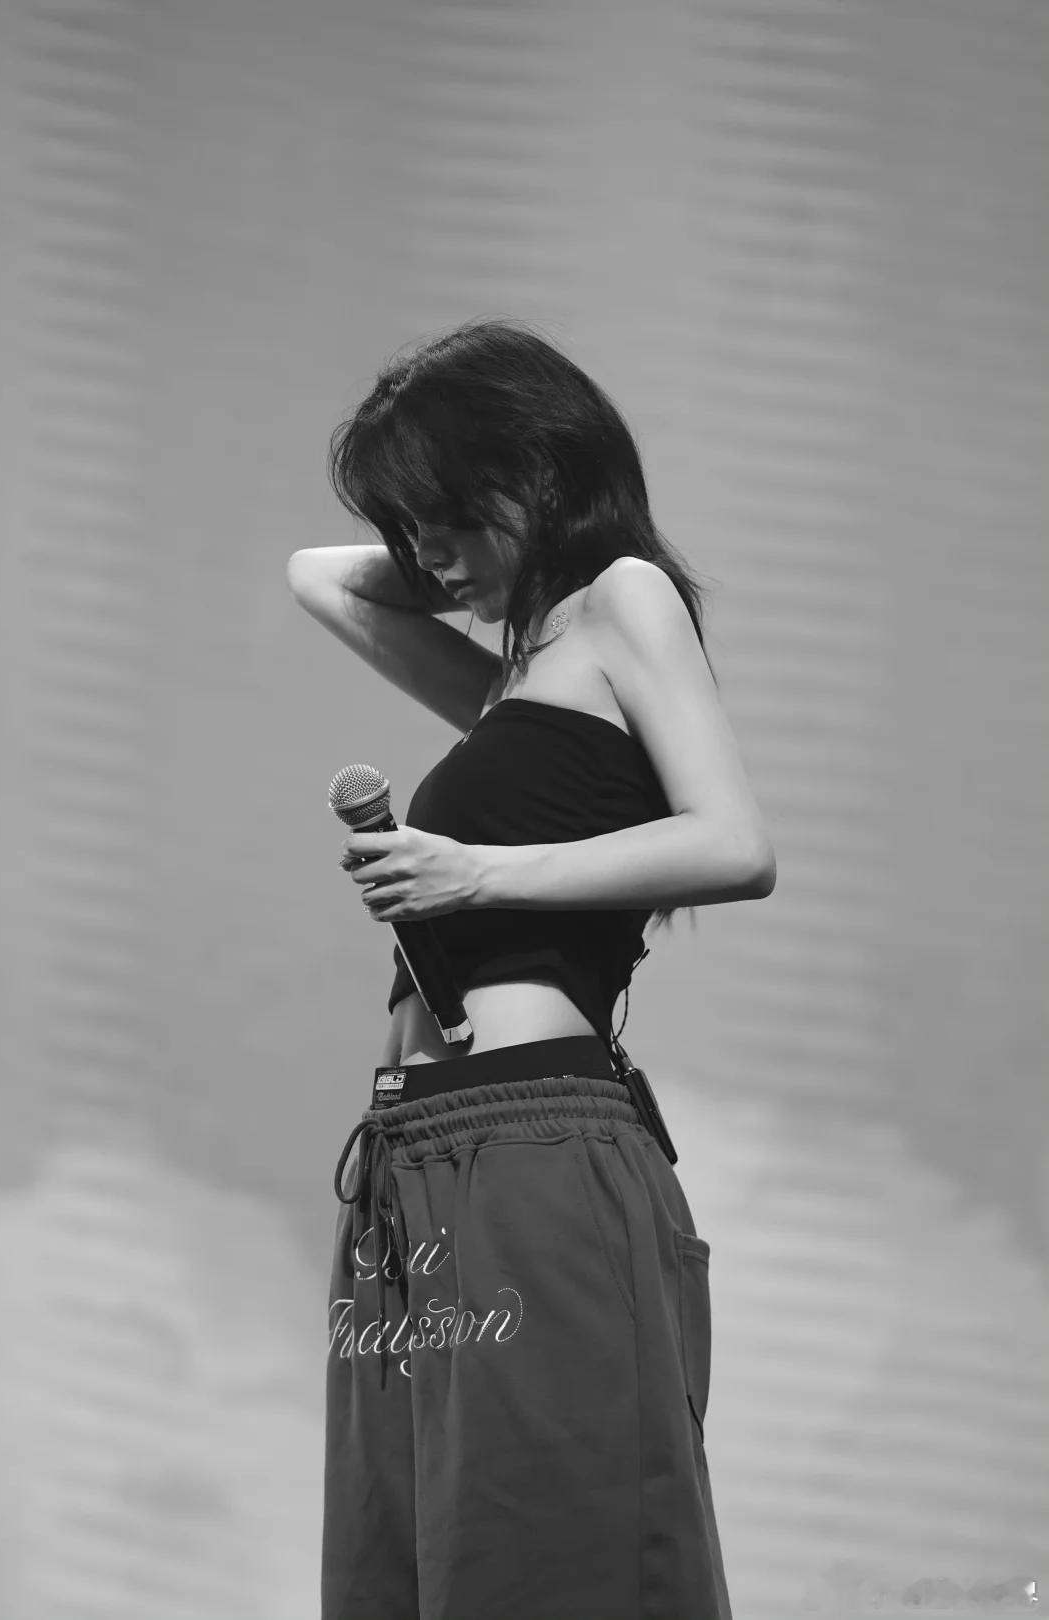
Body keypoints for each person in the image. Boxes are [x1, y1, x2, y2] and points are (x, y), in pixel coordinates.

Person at [288, 318, 776, 1620]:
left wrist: (475, 875)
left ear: (536, 471)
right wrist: (443, 543)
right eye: (409, 528)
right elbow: (319, 577)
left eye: (447, 513)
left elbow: (737, 846)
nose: (426, 555)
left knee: (542, 1549)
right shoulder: (519, 678)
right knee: (407, 1556)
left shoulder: (624, 603)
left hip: (531, 1143)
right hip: (411, 1162)